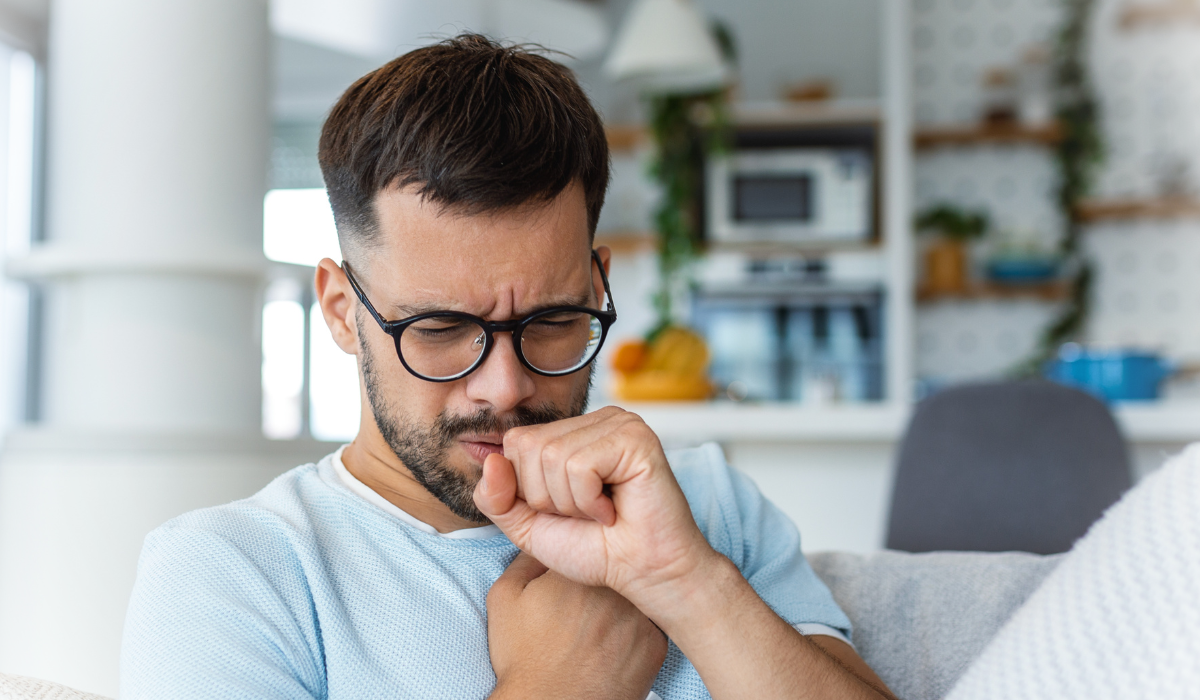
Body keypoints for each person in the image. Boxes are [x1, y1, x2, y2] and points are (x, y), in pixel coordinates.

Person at [120, 34, 895, 700]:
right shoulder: (232, 574)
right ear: (340, 311)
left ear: (599, 286)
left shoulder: (708, 505)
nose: (506, 388)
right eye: (442, 328)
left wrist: (688, 585)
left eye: (553, 322)